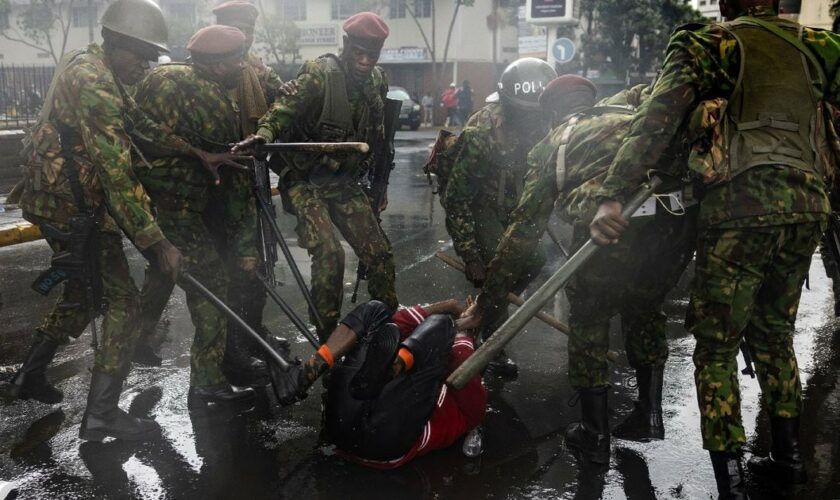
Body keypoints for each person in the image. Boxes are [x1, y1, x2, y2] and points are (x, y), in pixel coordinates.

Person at [588, 0, 840, 495]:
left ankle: (730, 474)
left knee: (718, 346)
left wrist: (612, 193)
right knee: (774, 333)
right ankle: (788, 459)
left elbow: (655, 121)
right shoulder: (824, 47)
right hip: (809, 203)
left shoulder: (709, 42)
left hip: (739, 208)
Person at [0, 0, 242, 441]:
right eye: (141, 53)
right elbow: (116, 172)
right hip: (73, 209)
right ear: (114, 43)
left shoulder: (97, 66)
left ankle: (27, 377)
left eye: (152, 55)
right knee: (125, 305)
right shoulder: (94, 82)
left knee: (83, 294)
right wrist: (158, 243)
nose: (147, 64)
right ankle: (102, 415)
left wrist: (196, 152)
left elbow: (140, 123)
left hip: (62, 201)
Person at [477, 75, 699, 465]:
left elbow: (522, 232)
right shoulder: (633, 117)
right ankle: (649, 416)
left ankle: (594, 434)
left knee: (589, 318)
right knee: (646, 308)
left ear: (552, 112)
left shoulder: (556, 142)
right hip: (674, 223)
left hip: (613, 232)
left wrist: (489, 296)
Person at [233, 11, 399, 342]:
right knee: (329, 252)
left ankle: (389, 327)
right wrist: (262, 135)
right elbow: (281, 111)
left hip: (345, 184)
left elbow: (380, 138)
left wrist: (379, 186)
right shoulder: (319, 74)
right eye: (359, 52)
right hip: (306, 181)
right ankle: (328, 337)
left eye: (373, 53)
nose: (365, 61)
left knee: (379, 254)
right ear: (346, 44)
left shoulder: (378, 81)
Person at [133, 25, 259, 412]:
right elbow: (234, 177)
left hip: (143, 202)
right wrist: (246, 244)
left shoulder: (157, 77)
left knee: (162, 274)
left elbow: (133, 127)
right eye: (238, 60)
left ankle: (130, 347)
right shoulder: (214, 100)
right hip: (180, 207)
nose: (243, 66)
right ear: (219, 66)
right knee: (211, 283)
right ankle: (207, 382)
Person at [442, 57, 556, 377]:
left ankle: (482, 309)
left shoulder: (545, 124)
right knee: (497, 265)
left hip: (517, 207)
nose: (533, 122)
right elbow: (457, 198)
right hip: (483, 207)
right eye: (526, 114)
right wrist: (470, 256)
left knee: (532, 261)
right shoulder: (481, 134)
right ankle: (492, 346)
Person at [276, 298, 487, 468]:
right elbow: (398, 321)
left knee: (440, 323)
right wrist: (450, 307)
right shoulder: (426, 354)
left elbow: (474, 411)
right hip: (351, 420)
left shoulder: (462, 370)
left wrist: (463, 333)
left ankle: (385, 375)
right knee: (375, 310)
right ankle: (303, 375)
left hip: (381, 442)